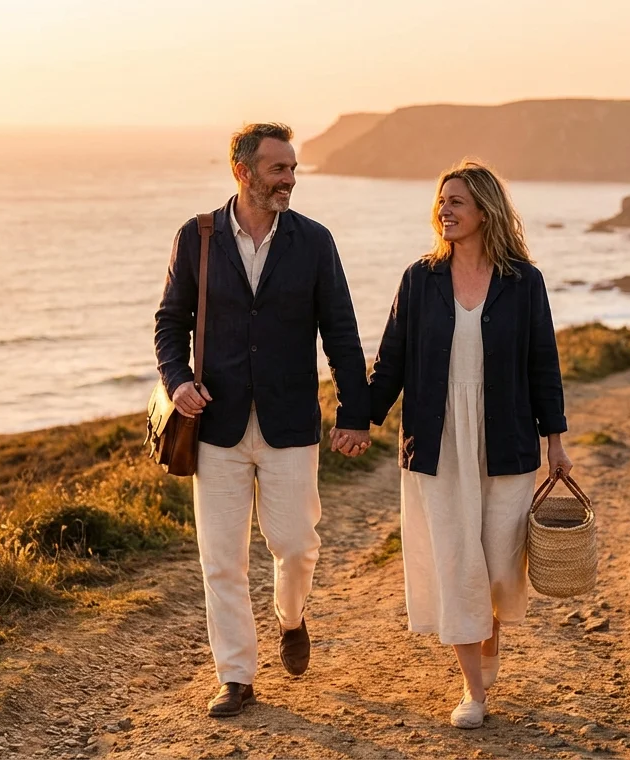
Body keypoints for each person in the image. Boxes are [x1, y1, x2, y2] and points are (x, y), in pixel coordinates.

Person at [154, 122, 372, 718]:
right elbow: (170, 323)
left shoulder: (314, 241)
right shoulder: (196, 237)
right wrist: (178, 383)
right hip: (216, 426)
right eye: (279, 169)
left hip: (290, 422)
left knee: (296, 545)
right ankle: (236, 675)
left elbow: (342, 332)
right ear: (243, 171)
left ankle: (292, 617)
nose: (291, 180)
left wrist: (355, 412)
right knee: (220, 557)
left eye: (294, 169)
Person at [368, 160, 573, 729]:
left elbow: (543, 365)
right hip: (438, 441)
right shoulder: (419, 278)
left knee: (501, 565)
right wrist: (359, 420)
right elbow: (390, 362)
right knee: (458, 560)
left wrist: (556, 441)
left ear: (485, 209)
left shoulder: (522, 281)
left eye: (457, 201)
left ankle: (487, 640)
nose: (446, 210)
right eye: (441, 201)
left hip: (505, 436)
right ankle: (473, 692)